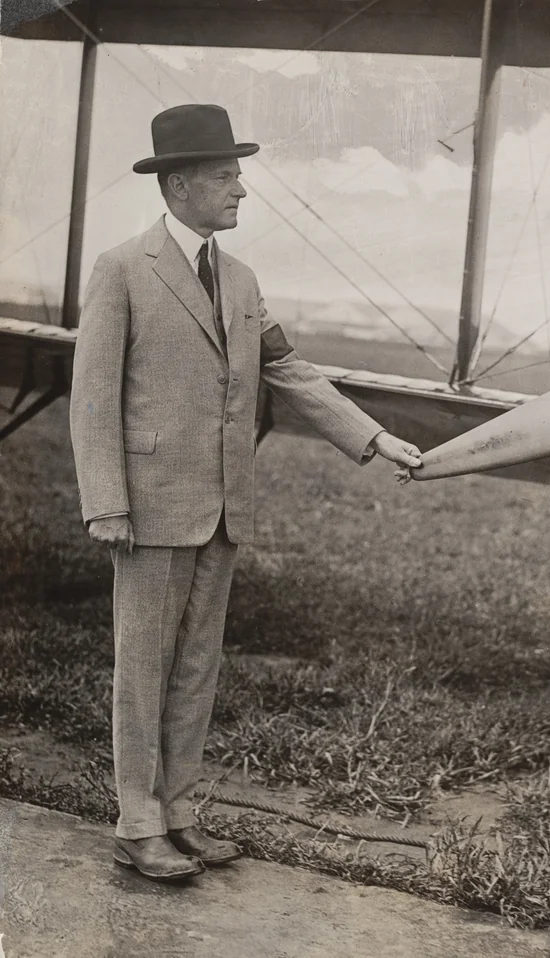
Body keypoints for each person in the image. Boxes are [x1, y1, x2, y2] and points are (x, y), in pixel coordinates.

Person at [68, 103, 423, 882]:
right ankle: (137, 824)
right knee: (144, 670)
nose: (241, 191)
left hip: (223, 508)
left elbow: (290, 370)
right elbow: (92, 395)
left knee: (196, 668)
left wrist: (373, 438)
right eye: (227, 176)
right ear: (181, 183)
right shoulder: (123, 269)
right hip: (151, 508)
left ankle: (181, 815)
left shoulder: (242, 278)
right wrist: (107, 502)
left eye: (238, 175)